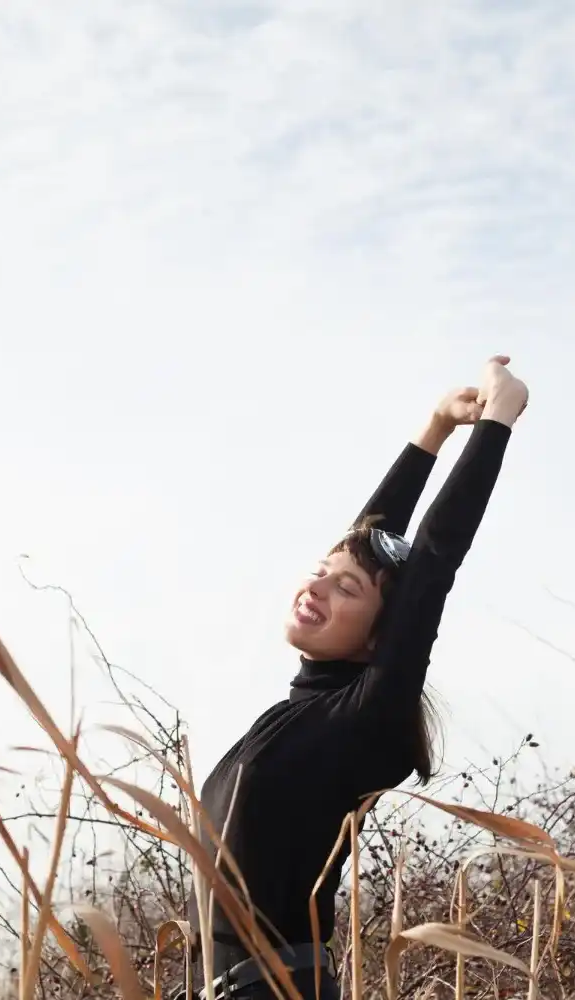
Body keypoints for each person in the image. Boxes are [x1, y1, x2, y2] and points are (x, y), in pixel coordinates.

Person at [179, 355, 529, 999]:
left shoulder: (365, 720)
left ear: (377, 637)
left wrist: (497, 421)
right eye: (319, 571)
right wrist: (433, 430)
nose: (317, 586)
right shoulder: (298, 712)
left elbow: (430, 565)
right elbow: (366, 542)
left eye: (345, 589)